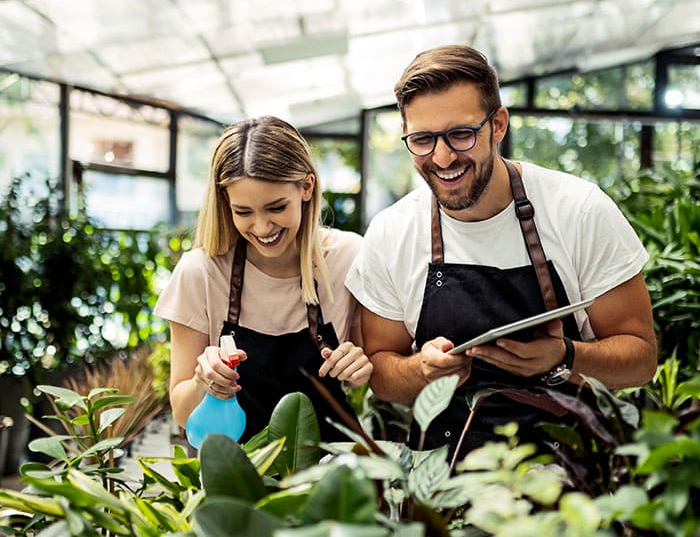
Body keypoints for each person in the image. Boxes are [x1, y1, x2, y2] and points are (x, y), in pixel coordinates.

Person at [345, 45, 657, 456]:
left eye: (461, 134)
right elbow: (383, 373)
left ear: (498, 125)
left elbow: (641, 359)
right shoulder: (392, 231)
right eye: (422, 139)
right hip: (443, 481)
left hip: (567, 478)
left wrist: (563, 357)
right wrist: (421, 370)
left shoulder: (579, 210)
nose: (442, 157)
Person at [155, 116, 372, 444]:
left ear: (307, 187)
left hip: (332, 472)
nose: (262, 227)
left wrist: (360, 367)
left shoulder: (348, 257)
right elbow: (182, 414)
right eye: (243, 212)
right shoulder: (200, 273)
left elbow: (371, 369)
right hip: (239, 474)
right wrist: (204, 381)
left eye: (276, 207)